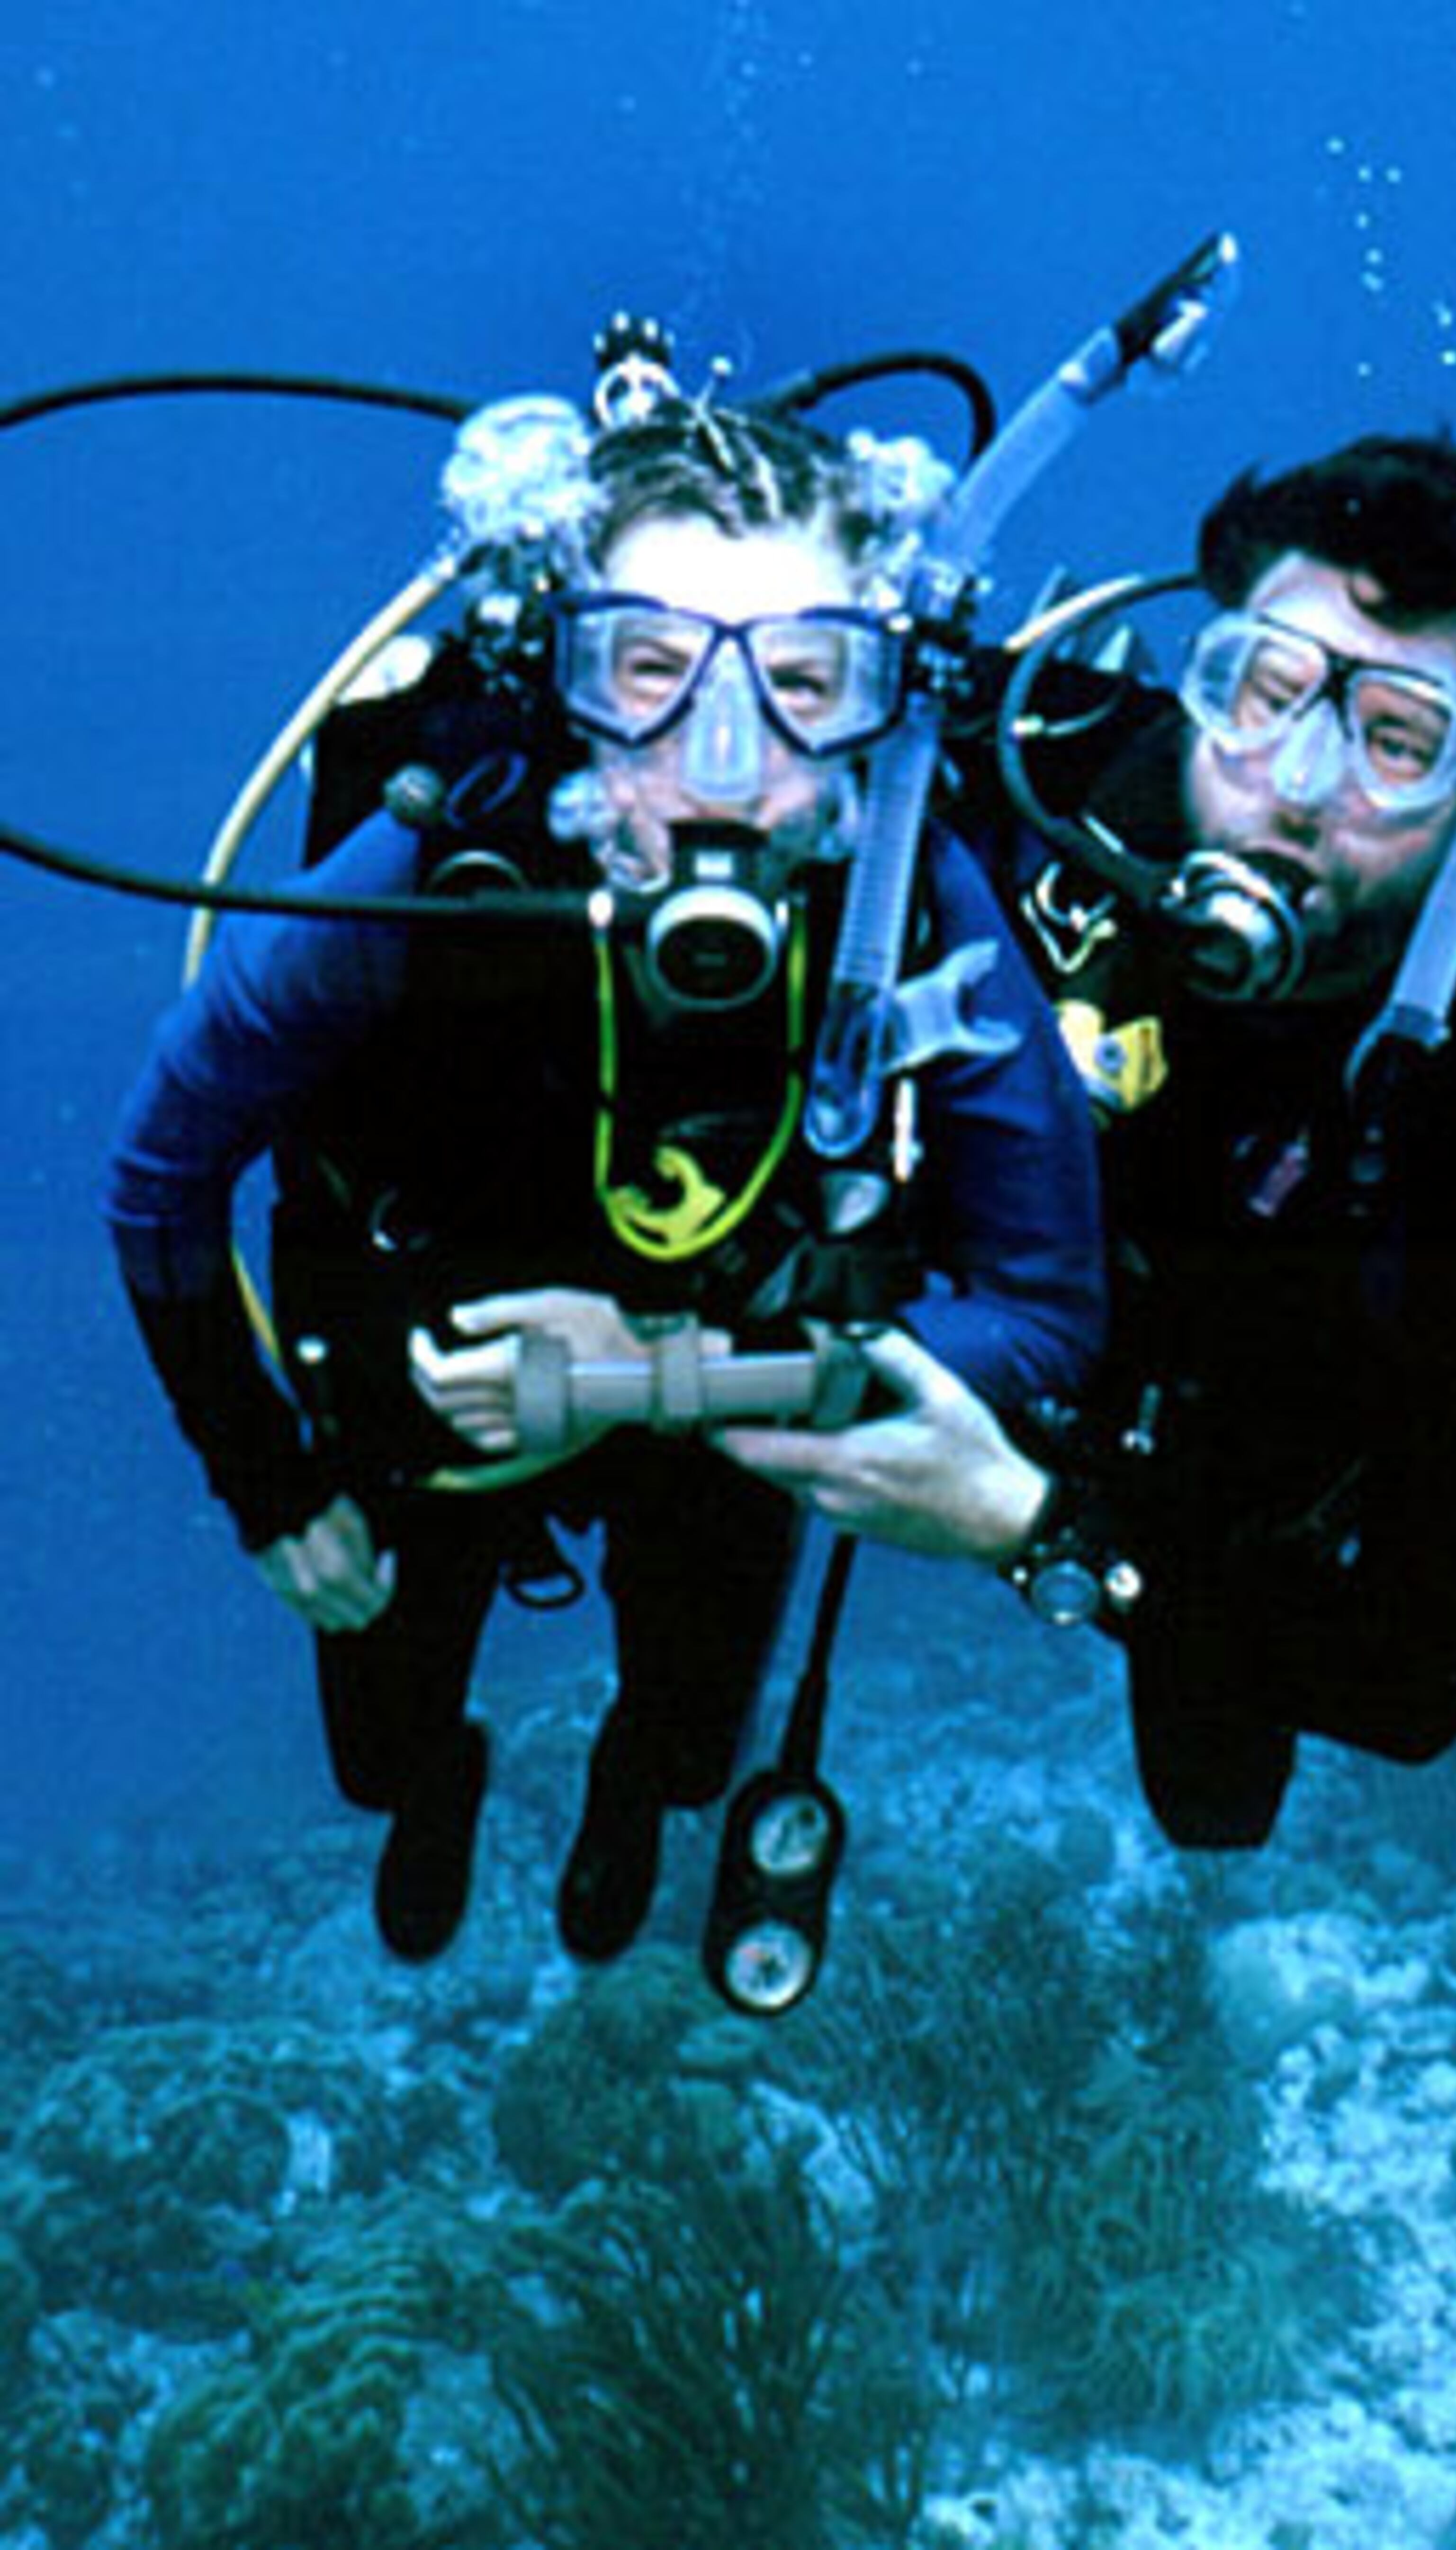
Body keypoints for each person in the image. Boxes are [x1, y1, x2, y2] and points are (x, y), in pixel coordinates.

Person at [106, 369, 1104, 1961]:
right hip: (428, 1392)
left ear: (881, 700)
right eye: (647, 669)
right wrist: (266, 1480)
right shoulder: (444, 859)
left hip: (727, 1416)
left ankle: (632, 1795)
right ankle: (444, 1781)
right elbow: (159, 1179)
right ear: (561, 682)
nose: (723, 758)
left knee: (697, 1748)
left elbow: (1050, 1309)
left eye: (802, 678)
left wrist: (656, 1380)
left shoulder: (911, 896)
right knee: (375, 1748)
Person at [719, 433, 1456, 1849]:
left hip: (1194, 1487)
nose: (1294, 783)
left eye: (1396, 741)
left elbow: (1413, 1689)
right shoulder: (1034, 774)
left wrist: (1038, 1529)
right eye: (1264, 691)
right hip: (909, 1313)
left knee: (1215, 1805)